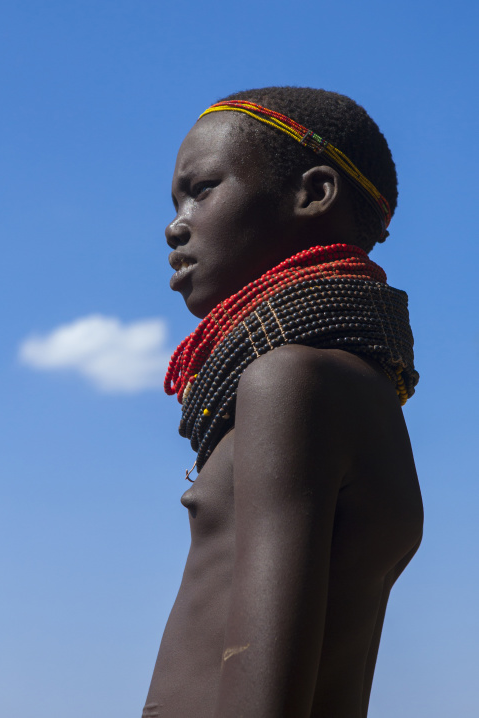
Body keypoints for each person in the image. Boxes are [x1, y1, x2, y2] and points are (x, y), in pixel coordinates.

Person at [143, 87, 423, 718]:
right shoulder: (356, 389)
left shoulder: (290, 383)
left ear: (313, 193)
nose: (176, 222)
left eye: (204, 187)